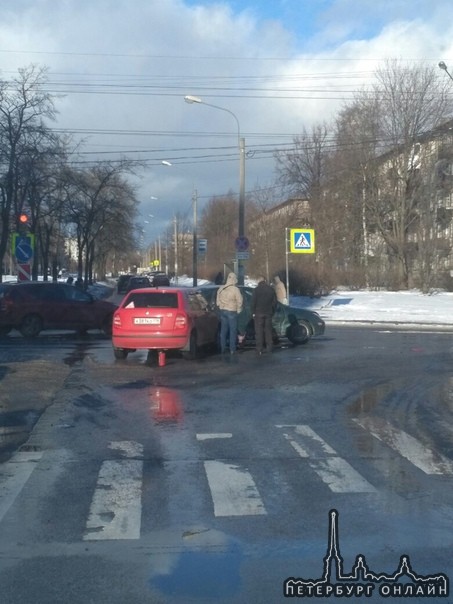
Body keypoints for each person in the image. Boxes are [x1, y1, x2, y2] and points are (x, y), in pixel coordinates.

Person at [216, 272, 243, 354]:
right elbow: (240, 301)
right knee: (233, 331)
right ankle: (232, 349)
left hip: (223, 311)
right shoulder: (235, 289)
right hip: (232, 311)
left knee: (223, 330)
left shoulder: (221, 288)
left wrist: (221, 306)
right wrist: (239, 309)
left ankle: (223, 348)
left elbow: (217, 301)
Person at [251, 276, 277, 355]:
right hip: (268, 313)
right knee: (268, 331)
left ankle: (259, 349)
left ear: (259, 281)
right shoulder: (271, 289)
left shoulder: (256, 290)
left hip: (258, 313)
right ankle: (269, 347)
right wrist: (272, 311)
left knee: (259, 331)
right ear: (265, 280)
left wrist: (253, 312)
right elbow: (275, 302)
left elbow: (253, 302)